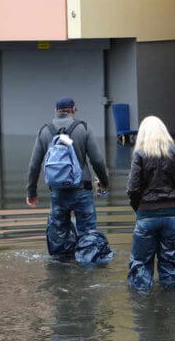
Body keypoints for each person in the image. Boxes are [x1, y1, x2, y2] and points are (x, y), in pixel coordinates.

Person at [27, 96, 110, 258]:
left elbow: (34, 165)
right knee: (88, 237)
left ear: (56, 111)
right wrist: (104, 182)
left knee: (58, 239)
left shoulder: (44, 131)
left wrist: (31, 192)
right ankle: (88, 274)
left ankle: (60, 273)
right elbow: (97, 160)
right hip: (82, 190)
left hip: (57, 193)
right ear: (73, 110)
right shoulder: (83, 128)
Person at [126, 116, 175, 290]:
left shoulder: (140, 155)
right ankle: (173, 308)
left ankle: (143, 310)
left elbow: (132, 189)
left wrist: (140, 208)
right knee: (171, 266)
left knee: (141, 265)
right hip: (171, 217)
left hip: (146, 216)